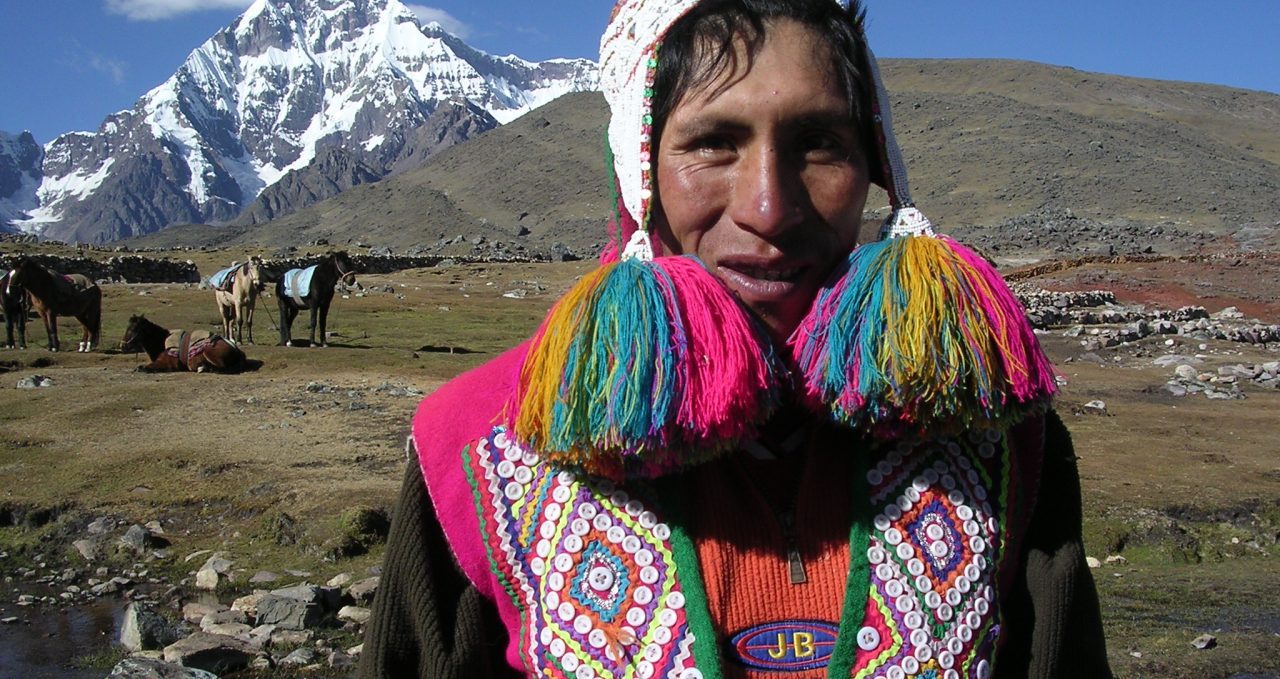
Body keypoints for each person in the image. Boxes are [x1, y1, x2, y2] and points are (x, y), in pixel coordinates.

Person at [358, 0, 1112, 677]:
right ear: (640, 167)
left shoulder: (998, 440)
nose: (768, 206)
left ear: (874, 164)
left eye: (819, 143)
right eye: (713, 142)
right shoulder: (477, 447)